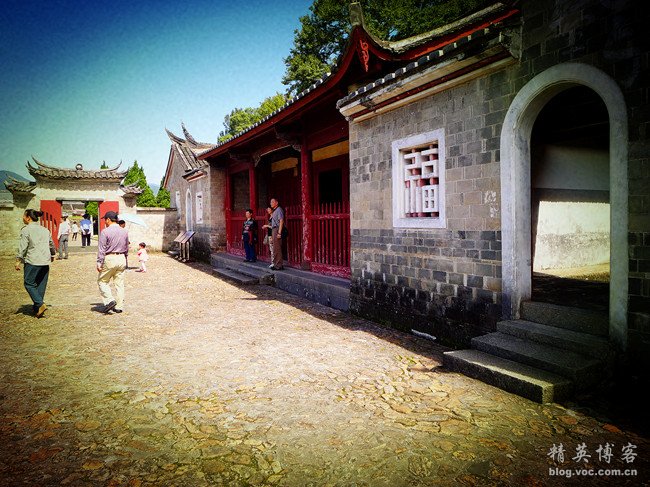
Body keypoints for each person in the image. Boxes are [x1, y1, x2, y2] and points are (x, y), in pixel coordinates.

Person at [15, 209, 56, 317]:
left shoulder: (26, 230)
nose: (23, 218)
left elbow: (23, 247)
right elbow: (51, 244)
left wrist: (18, 260)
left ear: (28, 217)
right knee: (41, 284)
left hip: (33, 261)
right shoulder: (45, 230)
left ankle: (40, 304)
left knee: (28, 283)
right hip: (45, 261)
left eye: (24, 216)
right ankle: (37, 308)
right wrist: (52, 255)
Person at [96, 211, 129, 314]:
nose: (105, 222)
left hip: (110, 257)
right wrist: (125, 259)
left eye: (105, 220)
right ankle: (119, 306)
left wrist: (99, 262)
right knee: (119, 284)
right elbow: (126, 247)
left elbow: (102, 249)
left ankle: (110, 300)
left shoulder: (105, 232)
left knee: (102, 281)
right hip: (121, 258)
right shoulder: (124, 231)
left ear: (108, 220)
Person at [269, 198, 285, 270]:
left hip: (277, 229)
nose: (271, 203)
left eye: (273, 202)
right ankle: (275, 264)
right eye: (271, 202)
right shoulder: (275, 210)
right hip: (274, 229)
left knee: (277, 248)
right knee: (275, 248)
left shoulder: (279, 210)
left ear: (277, 203)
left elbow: (281, 221)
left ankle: (279, 265)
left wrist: (279, 232)